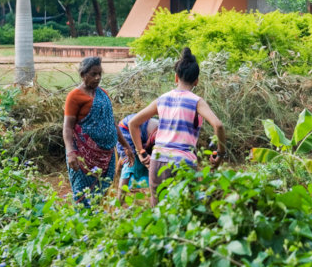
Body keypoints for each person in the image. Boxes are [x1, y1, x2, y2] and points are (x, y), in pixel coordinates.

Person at [129, 47, 226, 207]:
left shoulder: (162, 99)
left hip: (157, 162)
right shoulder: (196, 101)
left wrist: (141, 152)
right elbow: (219, 126)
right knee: (184, 212)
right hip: (182, 163)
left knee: (159, 213)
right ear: (197, 81)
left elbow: (133, 123)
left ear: (176, 77)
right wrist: (221, 154)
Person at [62, 57, 118, 207]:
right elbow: (67, 127)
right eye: (93, 74)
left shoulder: (103, 94)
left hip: (106, 156)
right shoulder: (74, 97)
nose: (97, 78)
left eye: (99, 74)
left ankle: (98, 226)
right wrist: (70, 152)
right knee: (83, 196)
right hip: (82, 158)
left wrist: (125, 145)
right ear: (83, 74)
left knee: (102, 196)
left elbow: (111, 123)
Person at [116, 113, 158, 205]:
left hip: (139, 133)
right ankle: (119, 202)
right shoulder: (159, 134)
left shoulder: (162, 131)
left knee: (148, 162)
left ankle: (154, 202)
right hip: (127, 131)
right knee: (130, 163)